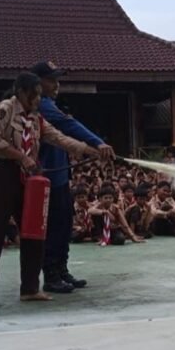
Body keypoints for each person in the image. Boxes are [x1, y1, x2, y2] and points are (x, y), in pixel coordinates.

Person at [0, 72, 102, 309]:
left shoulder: (36, 119)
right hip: (0, 176)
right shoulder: (4, 110)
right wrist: (20, 157)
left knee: (33, 232)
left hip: (28, 179)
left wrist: (91, 149)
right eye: (35, 94)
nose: (39, 99)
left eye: (40, 94)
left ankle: (29, 288)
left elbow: (59, 138)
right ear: (21, 92)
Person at [30, 61, 116, 293]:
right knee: (55, 227)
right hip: (47, 178)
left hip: (60, 178)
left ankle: (61, 270)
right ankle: (51, 275)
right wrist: (97, 143)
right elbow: (70, 125)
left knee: (64, 224)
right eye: (52, 80)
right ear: (38, 84)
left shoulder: (50, 105)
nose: (57, 84)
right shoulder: (42, 106)